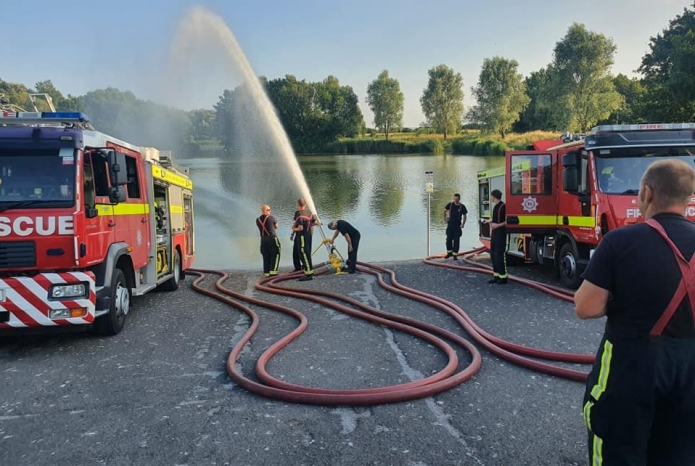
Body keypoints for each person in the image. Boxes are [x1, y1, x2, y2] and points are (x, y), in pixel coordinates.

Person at [574, 159, 695, 466]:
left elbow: (586, 307)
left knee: (618, 450)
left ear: (647, 193)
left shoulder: (621, 241)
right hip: (690, 370)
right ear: (688, 197)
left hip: (630, 368)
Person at [483, 189, 507, 284]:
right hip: (495, 234)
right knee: (493, 255)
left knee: (499, 255)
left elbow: (507, 221)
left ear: (494, 197)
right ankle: (496, 276)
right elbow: (496, 218)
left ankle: (503, 277)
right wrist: (490, 221)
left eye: (491, 196)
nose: (491, 198)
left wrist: (497, 225)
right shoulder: (496, 206)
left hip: (500, 233)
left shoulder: (503, 206)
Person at [291, 198, 318, 281]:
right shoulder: (309, 212)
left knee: (303, 253)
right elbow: (315, 222)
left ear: (298, 205)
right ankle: (308, 270)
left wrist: (293, 228)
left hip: (302, 236)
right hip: (308, 235)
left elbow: (300, 228)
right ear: (305, 205)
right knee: (307, 253)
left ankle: (308, 274)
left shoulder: (298, 214)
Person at [255, 204, 280, 277]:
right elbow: (276, 227)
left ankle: (266, 272)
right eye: (268, 210)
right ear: (264, 211)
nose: (270, 211)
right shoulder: (271, 218)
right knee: (276, 254)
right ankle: (273, 272)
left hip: (263, 239)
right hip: (272, 238)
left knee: (265, 255)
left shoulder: (257, 220)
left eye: (270, 209)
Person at [443, 193, 468, 260]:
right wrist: (445, 219)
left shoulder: (462, 206)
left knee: (456, 240)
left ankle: (455, 254)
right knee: (448, 240)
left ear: (459, 199)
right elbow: (445, 211)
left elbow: (465, 216)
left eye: (456, 199)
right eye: (454, 199)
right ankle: (449, 253)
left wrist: (463, 224)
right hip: (450, 225)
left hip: (457, 226)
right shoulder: (450, 205)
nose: (455, 200)